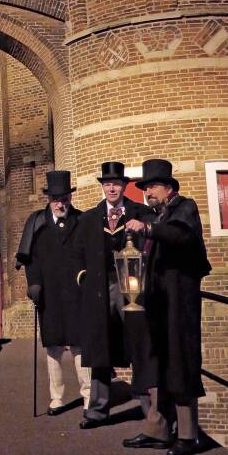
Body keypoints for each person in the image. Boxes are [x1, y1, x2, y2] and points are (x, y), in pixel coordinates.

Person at [124, 158, 212, 455]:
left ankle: (188, 435)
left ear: (168, 188)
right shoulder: (159, 214)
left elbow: (181, 236)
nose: (148, 193)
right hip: (158, 302)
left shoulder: (184, 208)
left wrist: (148, 228)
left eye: (153, 187)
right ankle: (158, 428)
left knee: (180, 361)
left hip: (179, 302)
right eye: (146, 188)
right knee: (158, 362)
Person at [74, 160, 162, 432]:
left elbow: (155, 242)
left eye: (116, 184)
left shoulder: (141, 213)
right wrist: (83, 277)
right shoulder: (89, 218)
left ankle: (150, 409)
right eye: (107, 184)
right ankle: (97, 410)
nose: (111, 189)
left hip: (132, 288)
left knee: (139, 343)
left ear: (124, 186)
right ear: (102, 187)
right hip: (101, 289)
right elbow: (77, 253)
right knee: (100, 347)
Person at [16, 169, 89, 415]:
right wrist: (34, 284)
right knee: (54, 347)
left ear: (70, 198)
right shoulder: (38, 225)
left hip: (77, 292)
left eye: (64, 199)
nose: (60, 204)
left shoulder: (82, 221)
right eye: (56, 199)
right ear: (49, 199)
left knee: (80, 345)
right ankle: (56, 398)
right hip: (50, 294)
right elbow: (31, 260)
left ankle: (88, 396)